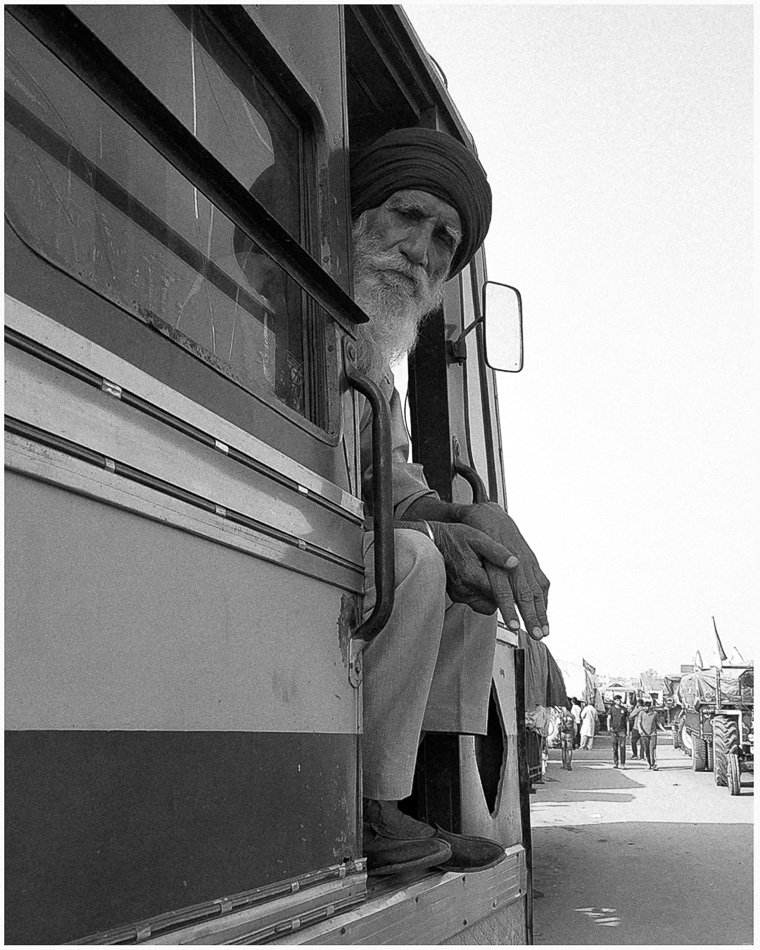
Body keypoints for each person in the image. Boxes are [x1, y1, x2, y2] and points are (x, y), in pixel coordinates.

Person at [350, 128, 551, 876]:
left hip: (335, 563)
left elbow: (396, 493)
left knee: (472, 576)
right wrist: (435, 537)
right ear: (357, 218)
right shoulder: (283, 313)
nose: (422, 249)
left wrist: (474, 520)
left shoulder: (373, 368)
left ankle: (406, 800)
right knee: (414, 561)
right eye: (406, 216)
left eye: (443, 239)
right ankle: (369, 809)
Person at [638, 700, 661, 770]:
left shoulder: (655, 714)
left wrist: (663, 729)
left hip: (653, 734)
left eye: (646, 707)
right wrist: (640, 729)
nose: (644, 708)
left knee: (652, 749)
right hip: (644, 734)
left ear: (649, 707)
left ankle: (654, 764)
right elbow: (639, 722)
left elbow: (658, 722)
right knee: (646, 749)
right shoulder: (641, 713)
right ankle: (648, 763)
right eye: (643, 707)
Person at [608, 695, 629, 769]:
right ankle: (616, 763)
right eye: (617, 700)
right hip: (614, 730)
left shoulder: (624, 709)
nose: (619, 701)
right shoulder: (611, 709)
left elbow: (627, 721)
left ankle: (623, 763)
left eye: (619, 700)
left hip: (622, 730)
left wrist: (628, 731)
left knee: (622, 747)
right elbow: (609, 718)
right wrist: (609, 728)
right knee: (614, 747)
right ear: (614, 701)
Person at [559, 706, 576, 770]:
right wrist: (574, 734)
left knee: (563, 749)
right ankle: (568, 764)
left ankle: (564, 764)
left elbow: (558, 724)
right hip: (570, 733)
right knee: (569, 749)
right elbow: (575, 727)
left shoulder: (562, 715)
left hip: (563, 733)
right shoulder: (572, 716)